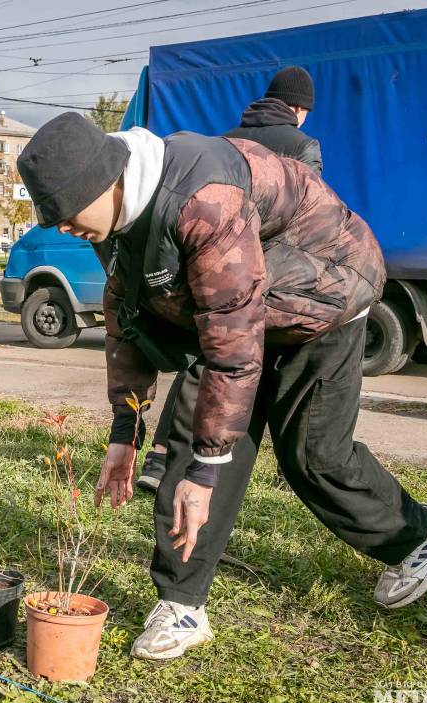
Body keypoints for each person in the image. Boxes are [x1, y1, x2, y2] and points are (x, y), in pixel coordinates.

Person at [17, 113, 427, 662]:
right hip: (239, 310)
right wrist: (125, 429)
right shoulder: (115, 218)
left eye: (64, 212)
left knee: (313, 455)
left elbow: (232, 339)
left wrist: (209, 468)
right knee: (188, 445)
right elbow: (124, 313)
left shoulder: (202, 199)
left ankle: (419, 535)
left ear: (104, 180)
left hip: (324, 296)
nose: (61, 228)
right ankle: (181, 603)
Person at [138, 65, 322, 491]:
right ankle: (279, 463)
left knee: (204, 356)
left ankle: (161, 455)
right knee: (246, 361)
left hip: (212, 259)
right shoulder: (302, 144)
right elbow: (306, 215)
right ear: (299, 108)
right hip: (267, 269)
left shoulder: (226, 139)